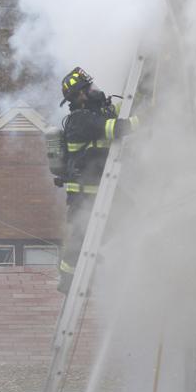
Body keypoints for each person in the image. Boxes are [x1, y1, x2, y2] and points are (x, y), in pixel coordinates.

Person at [55, 66, 139, 293]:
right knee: (81, 239)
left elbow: (116, 113)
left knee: (128, 215)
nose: (94, 89)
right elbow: (117, 128)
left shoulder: (93, 114)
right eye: (88, 87)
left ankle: (88, 263)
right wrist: (144, 119)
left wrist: (139, 97)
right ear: (79, 96)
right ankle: (69, 281)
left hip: (101, 189)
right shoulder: (80, 120)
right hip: (86, 194)